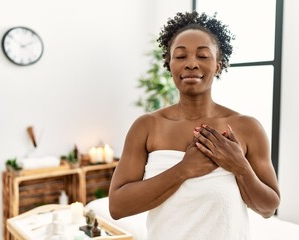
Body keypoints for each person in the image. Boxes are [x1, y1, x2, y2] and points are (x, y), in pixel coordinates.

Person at [109, 11, 280, 240]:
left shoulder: (247, 128)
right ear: (169, 65)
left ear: (218, 66)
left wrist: (239, 166)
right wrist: (184, 169)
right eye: (180, 57)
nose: (191, 64)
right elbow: (118, 207)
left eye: (203, 56)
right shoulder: (147, 127)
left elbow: (268, 208)